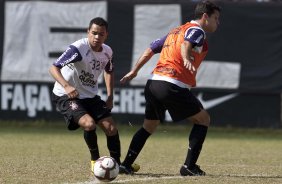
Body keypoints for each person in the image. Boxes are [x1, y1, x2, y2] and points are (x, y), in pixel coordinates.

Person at [119, 0, 221, 176]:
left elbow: (150, 49)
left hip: (153, 84)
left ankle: (126, 164)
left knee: (149, 126)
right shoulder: (197, 30)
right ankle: (189, 167)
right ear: (205, 17)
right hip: (171, 85)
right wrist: (187, 57)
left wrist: (134, 71)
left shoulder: (175, 31)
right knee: (203, 119)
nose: (218, 22)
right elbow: (186, 45)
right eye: (216, 18)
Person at [49, 17, 126, 173]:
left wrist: (110, 96)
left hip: (90, 95)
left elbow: (109, 71)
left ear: (106, 35)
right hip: (67, 94)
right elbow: (54, 68)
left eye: (101, 34)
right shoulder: (78, 49)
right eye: (94, 33)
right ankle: (95, 161)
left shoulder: (107, 51)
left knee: (111, 128)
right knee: (89, 124)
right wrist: (67, 86)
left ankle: (117, 165)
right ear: (88, 32)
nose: (97, 37)